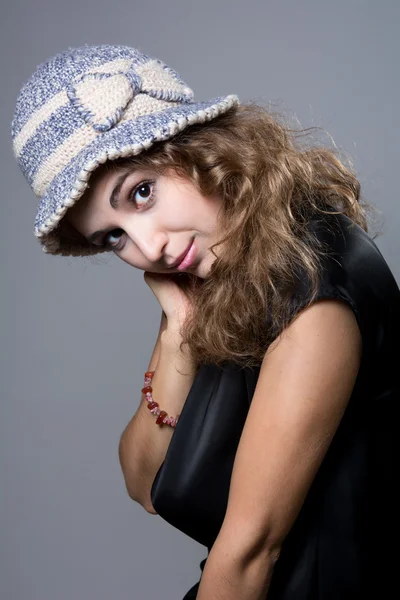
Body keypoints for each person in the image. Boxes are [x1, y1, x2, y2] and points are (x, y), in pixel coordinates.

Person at [11, 44, 399, 600]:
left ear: (200, 149)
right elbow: (143, 483)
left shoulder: (316, 296)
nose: (148, 248)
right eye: (112, 237)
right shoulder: (219, 275)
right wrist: (179, 335)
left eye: (140, 193)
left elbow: (246, 557)